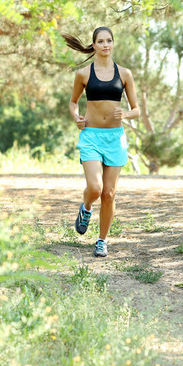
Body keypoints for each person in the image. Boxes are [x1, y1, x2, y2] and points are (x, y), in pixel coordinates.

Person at [64, 26, 140, 257]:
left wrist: (126, 115)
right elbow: (73, 102)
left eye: (109, 40)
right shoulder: (84, 74)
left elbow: (137, 110)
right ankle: (86, 207)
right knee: (95, 188)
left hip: (115, 139)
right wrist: (76, 117)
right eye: (101, 41)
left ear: (113, 44)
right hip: (91, 137)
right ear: (94, 45)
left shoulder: (125, 74)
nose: (106, 44)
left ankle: (101, 241)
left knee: (109, 193)